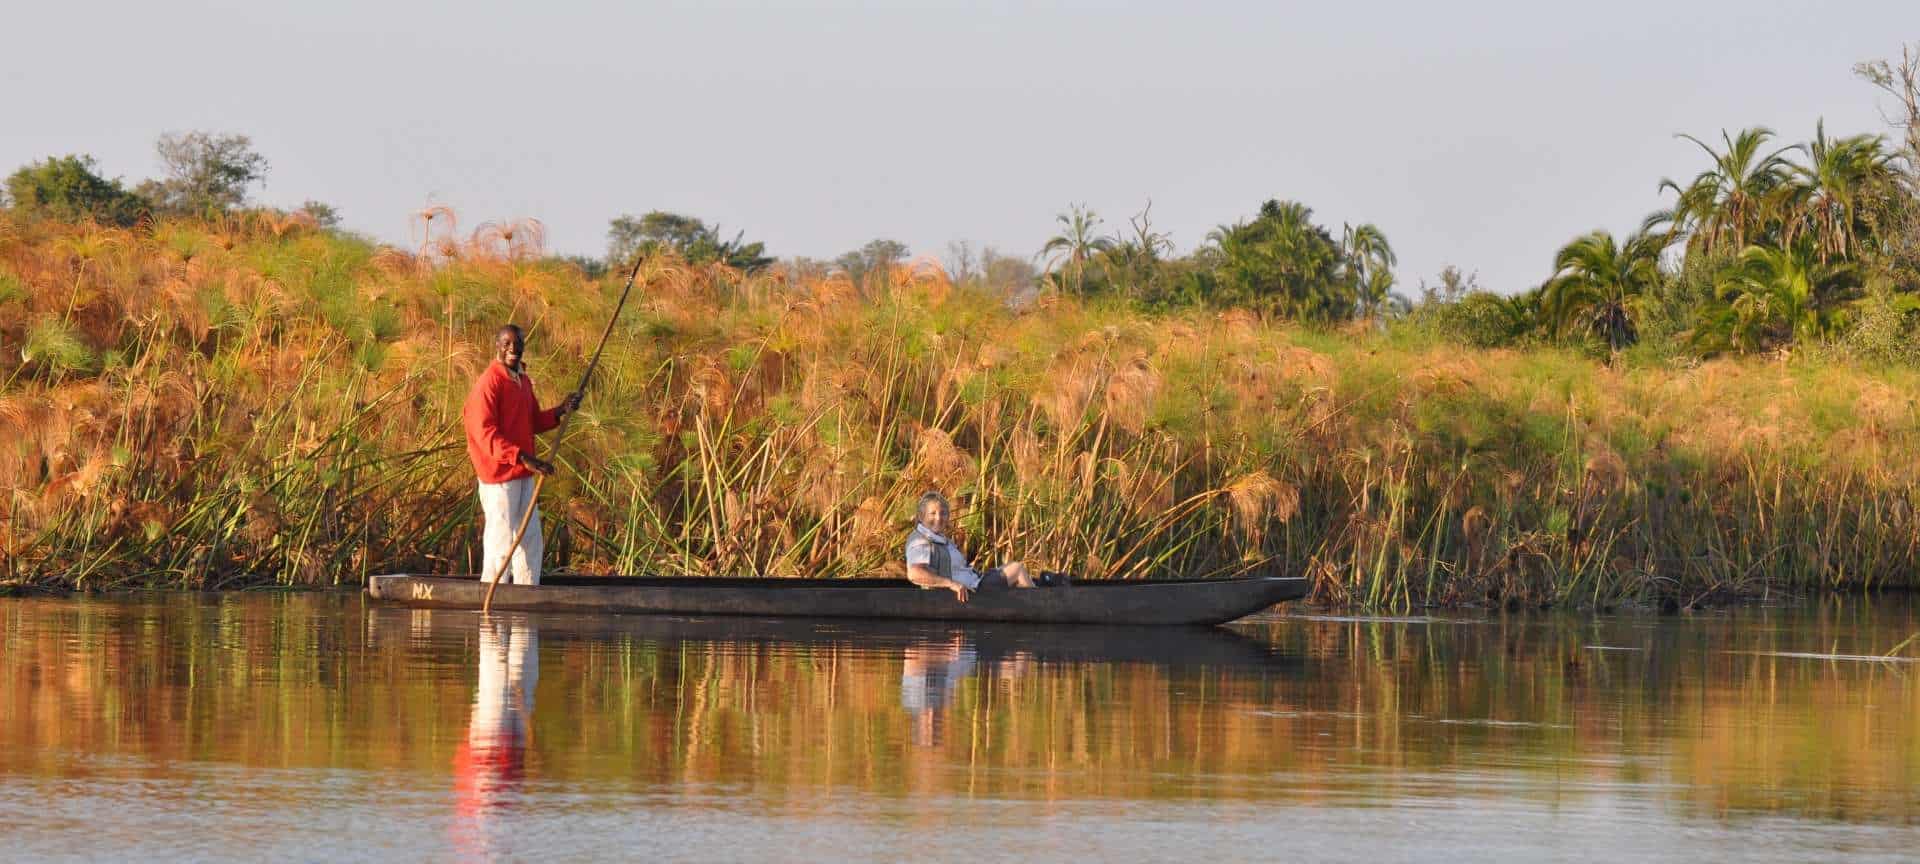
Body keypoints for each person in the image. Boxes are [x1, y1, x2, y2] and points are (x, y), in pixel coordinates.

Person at [462, 324, 580, 586]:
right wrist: (524, 457)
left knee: (530, 541)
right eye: (507, 344)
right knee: (501, 542)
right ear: (498, 346)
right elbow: (484, 435)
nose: (513, 349)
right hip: (499, 478)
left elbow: (532, 422)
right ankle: (493, 596)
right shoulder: (489, 383)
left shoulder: (523, 381)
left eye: (518, 344)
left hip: (523, 473)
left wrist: (561, 410)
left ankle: (526, 596)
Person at [904, 490, 1036, 602]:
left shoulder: (939, 538)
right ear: (921, 516)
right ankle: (1038, 607)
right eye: (933, 513)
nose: (939, 518)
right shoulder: (920, 541)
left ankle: (1028, 605)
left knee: (1010, 568)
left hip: (976, 582)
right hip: (970, 592)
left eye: (943, 513)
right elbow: (914, 574)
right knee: (1017, 569)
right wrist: (951, 584)